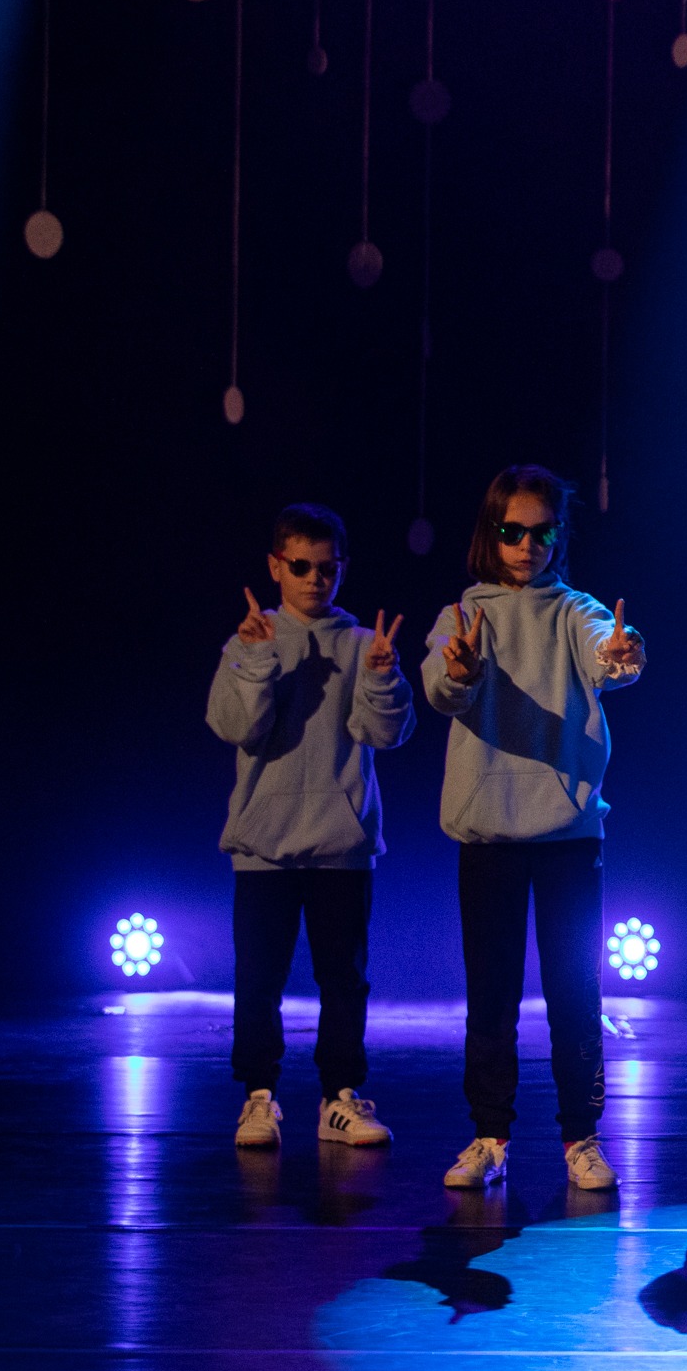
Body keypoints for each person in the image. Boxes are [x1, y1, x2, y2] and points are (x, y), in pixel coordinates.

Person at [423, 465, 647, 1192]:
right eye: (511, 530)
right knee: (490, 995)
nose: (526, 545)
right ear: (491, 534)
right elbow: (439, 688)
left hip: (567, 838)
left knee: (575, 992)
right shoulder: (464, 613)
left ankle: (582, 1138)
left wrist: (619, 653)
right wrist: (459, 671)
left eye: (541, 532)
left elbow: (608, 653)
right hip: (488, 835)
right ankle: (489, 1137)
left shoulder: (577, 611)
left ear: (558, 536)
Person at [208, 502, 412, 1149]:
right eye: (300, 566)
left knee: (344, 980)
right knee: (258, 979)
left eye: (327, 567)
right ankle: (258, 1098)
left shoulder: (360, 643)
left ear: (342, 568)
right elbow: (236, 728)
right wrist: (256, 658)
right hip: (263, 845)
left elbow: (385, 734)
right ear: (276, 566)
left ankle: (339, 1099)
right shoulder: (248, 639)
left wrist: (381, 677)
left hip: (339, 844)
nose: (315, 579)